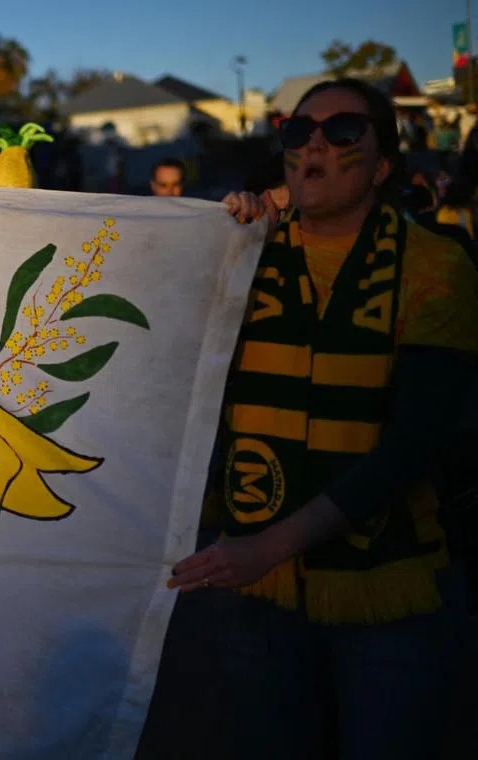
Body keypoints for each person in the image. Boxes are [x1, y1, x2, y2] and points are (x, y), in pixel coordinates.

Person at [171, 78, 478, 760]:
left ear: (383, 166)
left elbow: (410, 449)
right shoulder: (244, 253)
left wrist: (266, 548)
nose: (314, 142)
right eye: (297, 131)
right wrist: (223, 236)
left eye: (342, 133)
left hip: (386, 597)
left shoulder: (437, 265)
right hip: (255, 596)